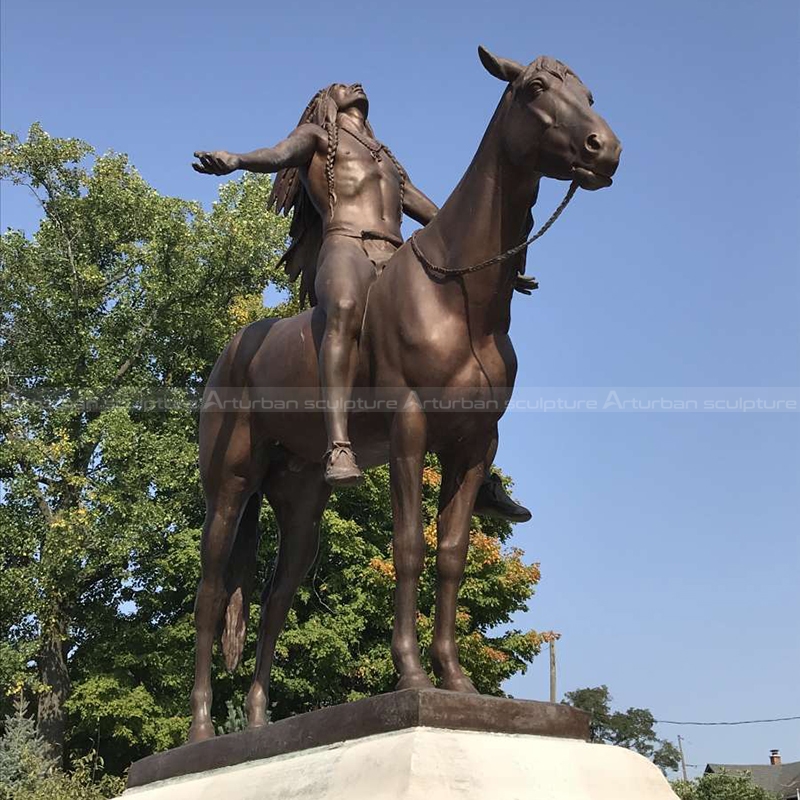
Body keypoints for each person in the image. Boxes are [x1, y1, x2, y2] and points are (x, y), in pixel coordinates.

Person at [192, 83, 531, 521]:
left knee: (462, 340)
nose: (354, 85)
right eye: (340, 84)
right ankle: (337, 444)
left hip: (394, 254)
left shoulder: (386, 159)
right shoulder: (318, 139)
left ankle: (481, 477)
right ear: (326, 103)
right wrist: (237, 160)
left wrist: (495, 262)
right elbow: (276, 155)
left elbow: (439, 217)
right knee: (346, 309)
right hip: (346, 247)